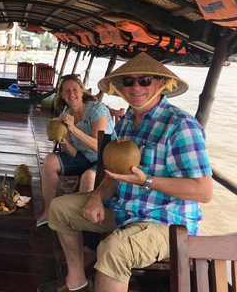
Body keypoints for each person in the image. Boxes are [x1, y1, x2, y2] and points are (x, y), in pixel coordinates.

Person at [37, 52, 213, 292]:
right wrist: (97, 197)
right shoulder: (127, 121)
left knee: (114, 249)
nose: (136, 87)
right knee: (60, 209)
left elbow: (203, 192)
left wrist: (147, 181)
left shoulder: (181, 125)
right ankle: (76, 282)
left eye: (145, 80)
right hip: (124, 209)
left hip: (166, 222)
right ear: (122, 87)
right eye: (129, 81)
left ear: (160, 83)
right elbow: (114, 174)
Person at [36, 74, 113, 227]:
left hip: (104, 159)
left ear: (82, 90)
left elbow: (99, 146)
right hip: (83, 156)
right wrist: (62, 139)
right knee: (50, 161)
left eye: (75, 90)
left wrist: (72, 128)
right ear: (62, 96)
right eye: (66, 91)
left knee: (88, 177)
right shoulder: (65, 115)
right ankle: (47, 212)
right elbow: (71, 152)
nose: (71, 94)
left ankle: (78, 222)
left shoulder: (97, 110)